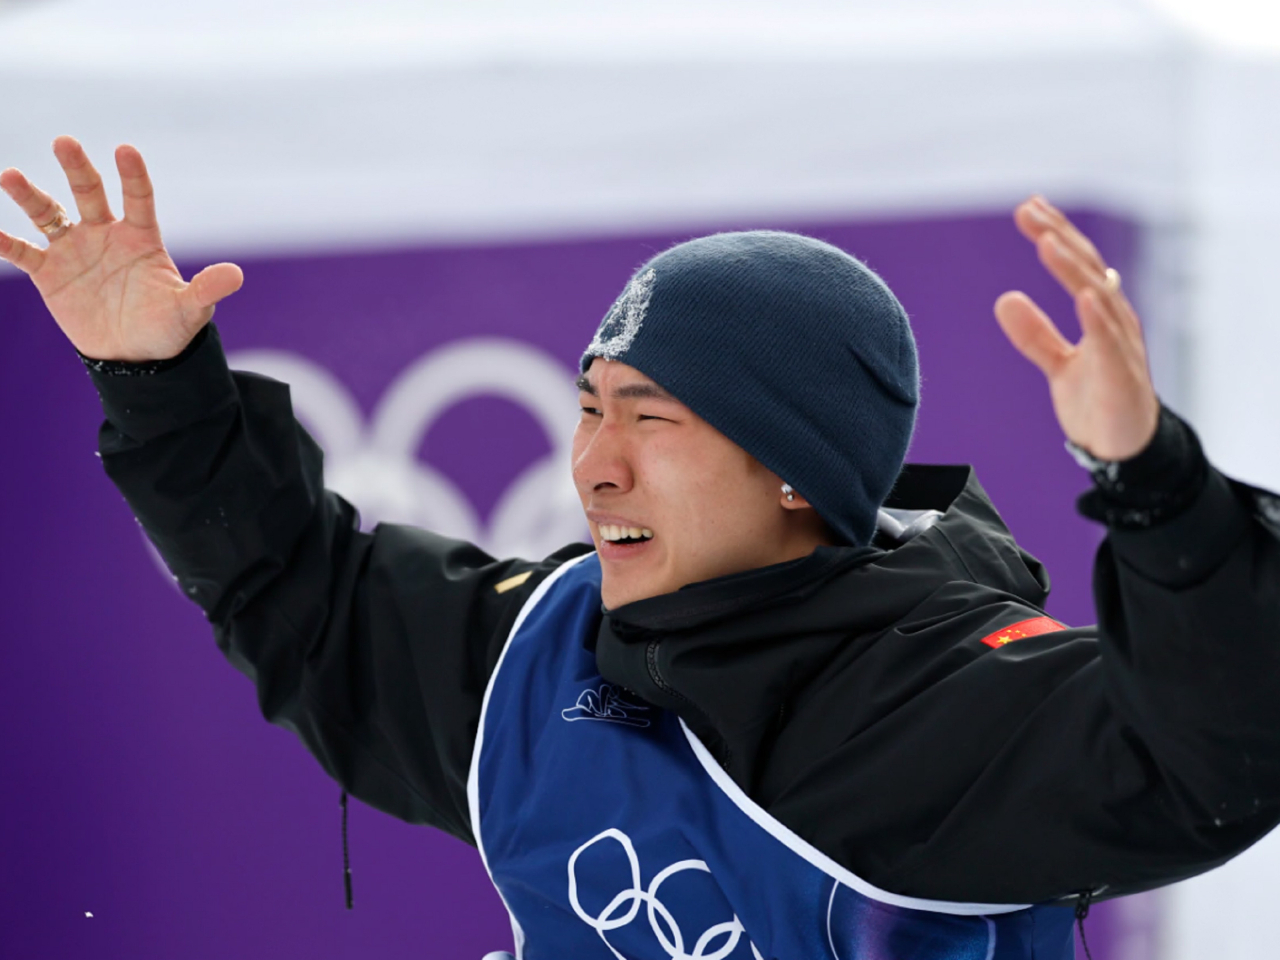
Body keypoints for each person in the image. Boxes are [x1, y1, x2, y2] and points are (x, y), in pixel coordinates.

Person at [4, 136, 1280, 960]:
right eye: (588, 407)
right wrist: (159, 379)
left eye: (652, 420)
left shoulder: (943, 699)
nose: (593, 463)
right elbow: (302, 594)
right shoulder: (539, 656)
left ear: (794, 471)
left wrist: (1154, 482)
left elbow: (1214, 759)